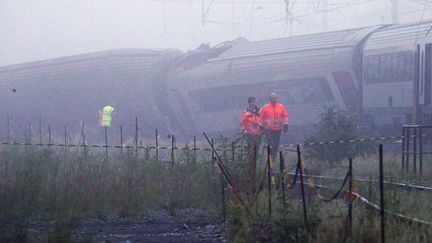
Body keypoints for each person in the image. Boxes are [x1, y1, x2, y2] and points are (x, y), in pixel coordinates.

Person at [259, 92, 288, 160]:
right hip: (268, 129)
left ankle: (273, 158)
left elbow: (285, 116)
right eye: (272, 98)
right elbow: (261, 118)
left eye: (274, 98)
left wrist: (285, 124)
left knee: (276, 145)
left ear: (276, 98)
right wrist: (261, 127)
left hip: (278, 129)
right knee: (271, 144)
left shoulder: (281, 107)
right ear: (270, 99)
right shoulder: (265, 107)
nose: (273, 100)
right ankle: (270, 158)